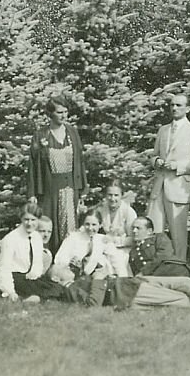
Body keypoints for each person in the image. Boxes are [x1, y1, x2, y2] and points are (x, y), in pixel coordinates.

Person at [147, 94, 190, 261]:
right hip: (159, 186)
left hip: (179, 186)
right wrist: (157, 161)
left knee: (178, 234)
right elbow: (153, 155)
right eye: (172, 105)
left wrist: (178, 166)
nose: (174, 108)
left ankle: (179, 265)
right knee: (154, 229)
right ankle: (155, 265)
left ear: (187, 109)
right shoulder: (163, 130)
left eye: (179, 105)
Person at [27, 95, 88, 252]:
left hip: (70, 187)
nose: (63, 115)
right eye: (59, 112)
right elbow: (33, 166)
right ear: (50, 114)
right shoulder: (41, 135)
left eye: (65, 112)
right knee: (48, 225)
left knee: (70, 225)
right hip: (50, 188)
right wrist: (32, 193)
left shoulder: (72, 133)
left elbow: (80, 162)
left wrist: (82, 189)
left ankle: (68, 258)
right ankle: (47, 258)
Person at [48, 265, 190, 310]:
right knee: (183, 300)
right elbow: (93, 305)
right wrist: (98, 279)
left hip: (131, 282)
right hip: (126, 294)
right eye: (61, 268)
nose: (67, 267)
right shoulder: (69, 290)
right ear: (56, 278)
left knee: (184, 282)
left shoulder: (78, 280)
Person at [0, 203, 61, 302]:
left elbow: (37, 262)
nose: (29, 223)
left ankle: (37, 298)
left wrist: (34, 273)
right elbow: (4, 268)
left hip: (30, 277)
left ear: (38, 220)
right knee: (46, 289)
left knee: (57, 287)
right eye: (26, 219)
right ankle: (37, 298)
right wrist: (10, 291)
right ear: (21, 219)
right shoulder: (11, 239)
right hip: (16, 277)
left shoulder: (36, 237)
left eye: (33, 220)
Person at [53, 208, 128, 279]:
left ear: (100, 225)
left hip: (91, 276)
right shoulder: (73, 237)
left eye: (94, 224)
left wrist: (123, 278)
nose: (90, 228)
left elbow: (116, 260)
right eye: (87, 224)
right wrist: (70, 265)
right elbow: (61, 257)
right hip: (71, 275)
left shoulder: (102, 239)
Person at [95, 179, 138, 250]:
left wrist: (114, 240)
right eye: (110, 195)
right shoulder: (101, 209)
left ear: (122, 195)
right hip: (104, 247)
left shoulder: (129, 212)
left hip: (124, 249)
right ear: (105, 195)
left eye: (116, 195)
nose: (112, 198)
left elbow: (134, 238)